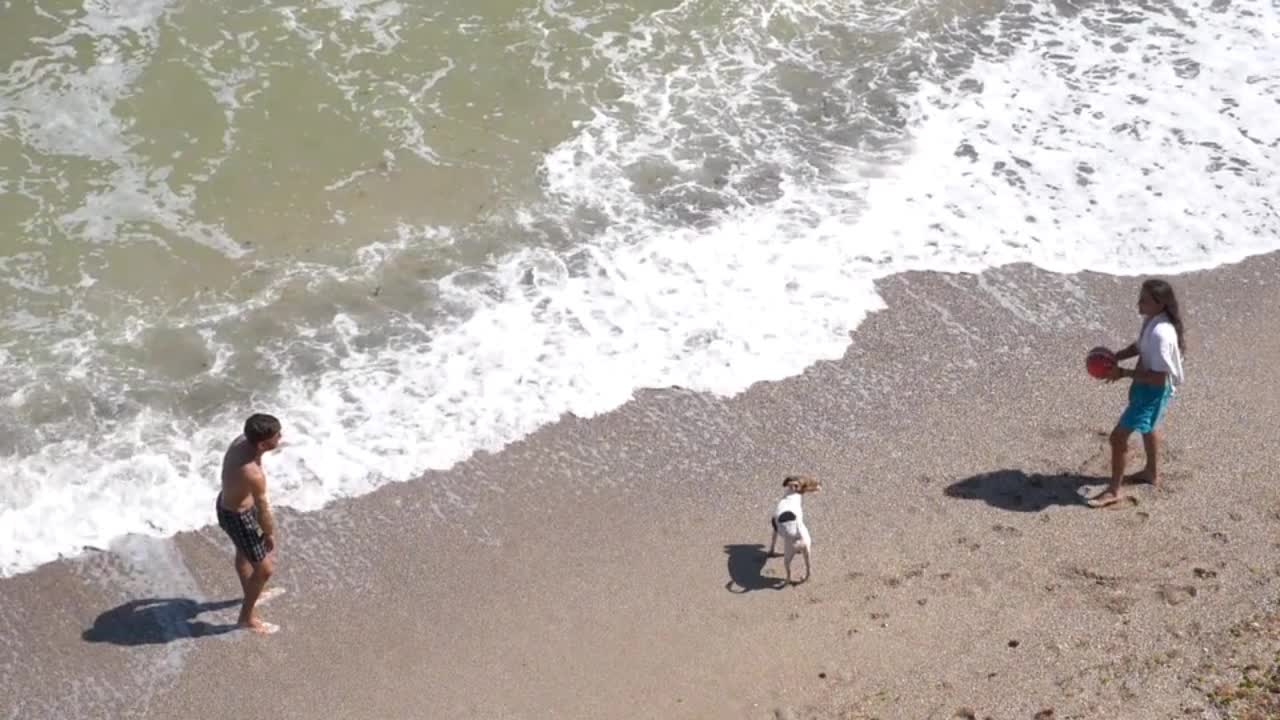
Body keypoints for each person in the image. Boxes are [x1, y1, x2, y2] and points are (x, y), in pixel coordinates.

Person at [1089, 280, 1185, 508]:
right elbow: (1140, 345)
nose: (1138, 303)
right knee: (1149, 427)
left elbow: (1158, 378)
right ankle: (1151, 472)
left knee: (1118, 437)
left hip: (1152, 390)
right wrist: (1116, 356)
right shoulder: (1153, 320)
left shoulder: (1163, 334)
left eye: (1144, 300)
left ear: (1160, 304)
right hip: (1146, 386)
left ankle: (1113, 490)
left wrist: (1122, 372)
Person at [216, 413, 283, 633]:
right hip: (237, 516)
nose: (280, 438)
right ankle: (246, 618)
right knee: (265, 570)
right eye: (277, 436)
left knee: (244, 554)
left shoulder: (242, 442)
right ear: (263, 443)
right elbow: (264, 508)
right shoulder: (253, 474)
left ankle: (251, 591)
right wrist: (269, 534)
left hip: (230, 502)